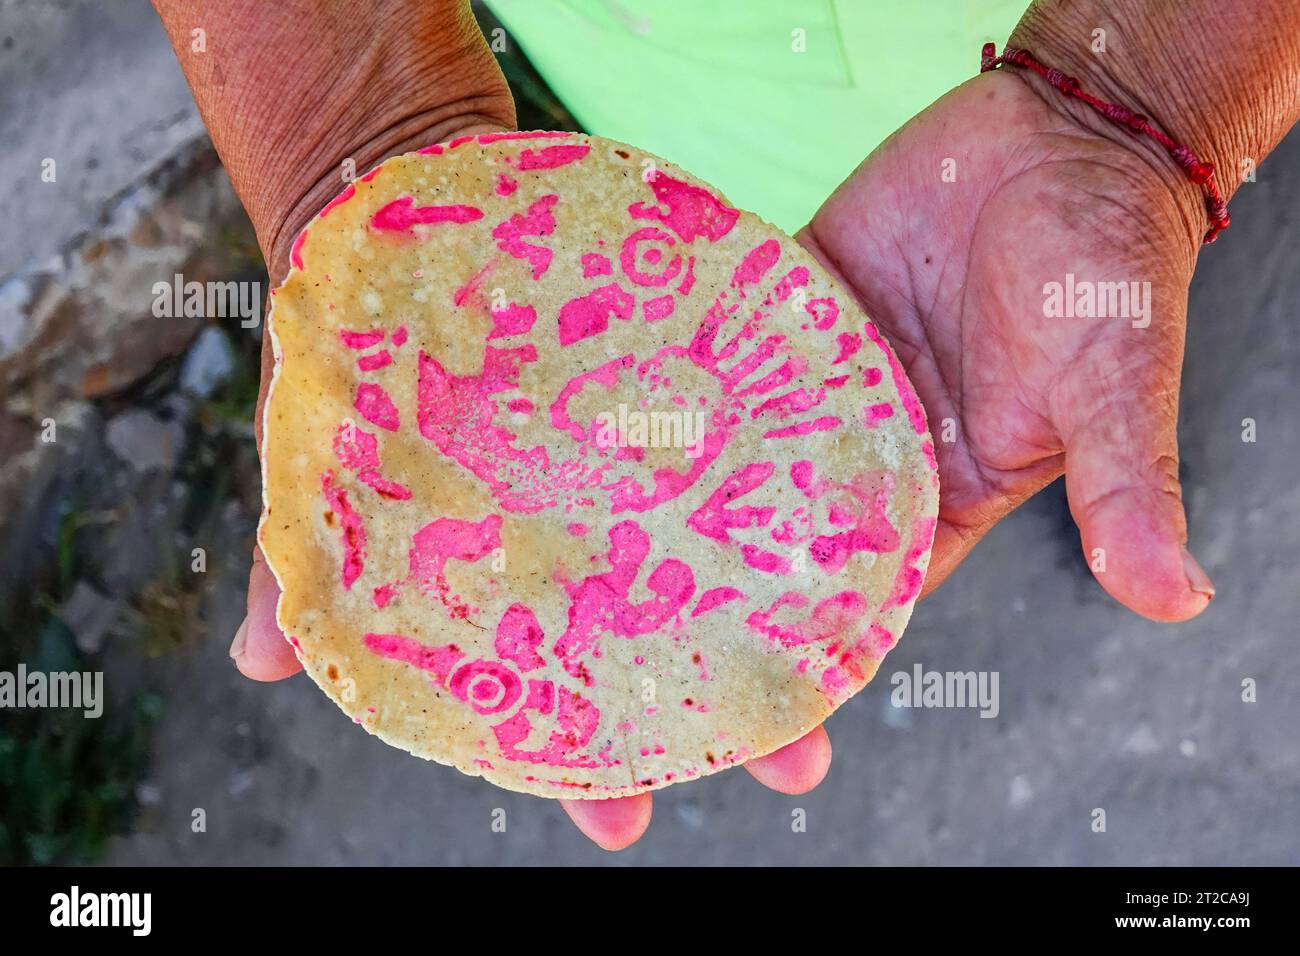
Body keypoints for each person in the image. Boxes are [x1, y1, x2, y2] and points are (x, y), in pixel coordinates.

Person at [151, 0, 1300, 851]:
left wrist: (1153, 86)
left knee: (1065, 354)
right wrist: (357, 125)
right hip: (675, 79)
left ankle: (1075, 415)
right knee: (1027, 349)